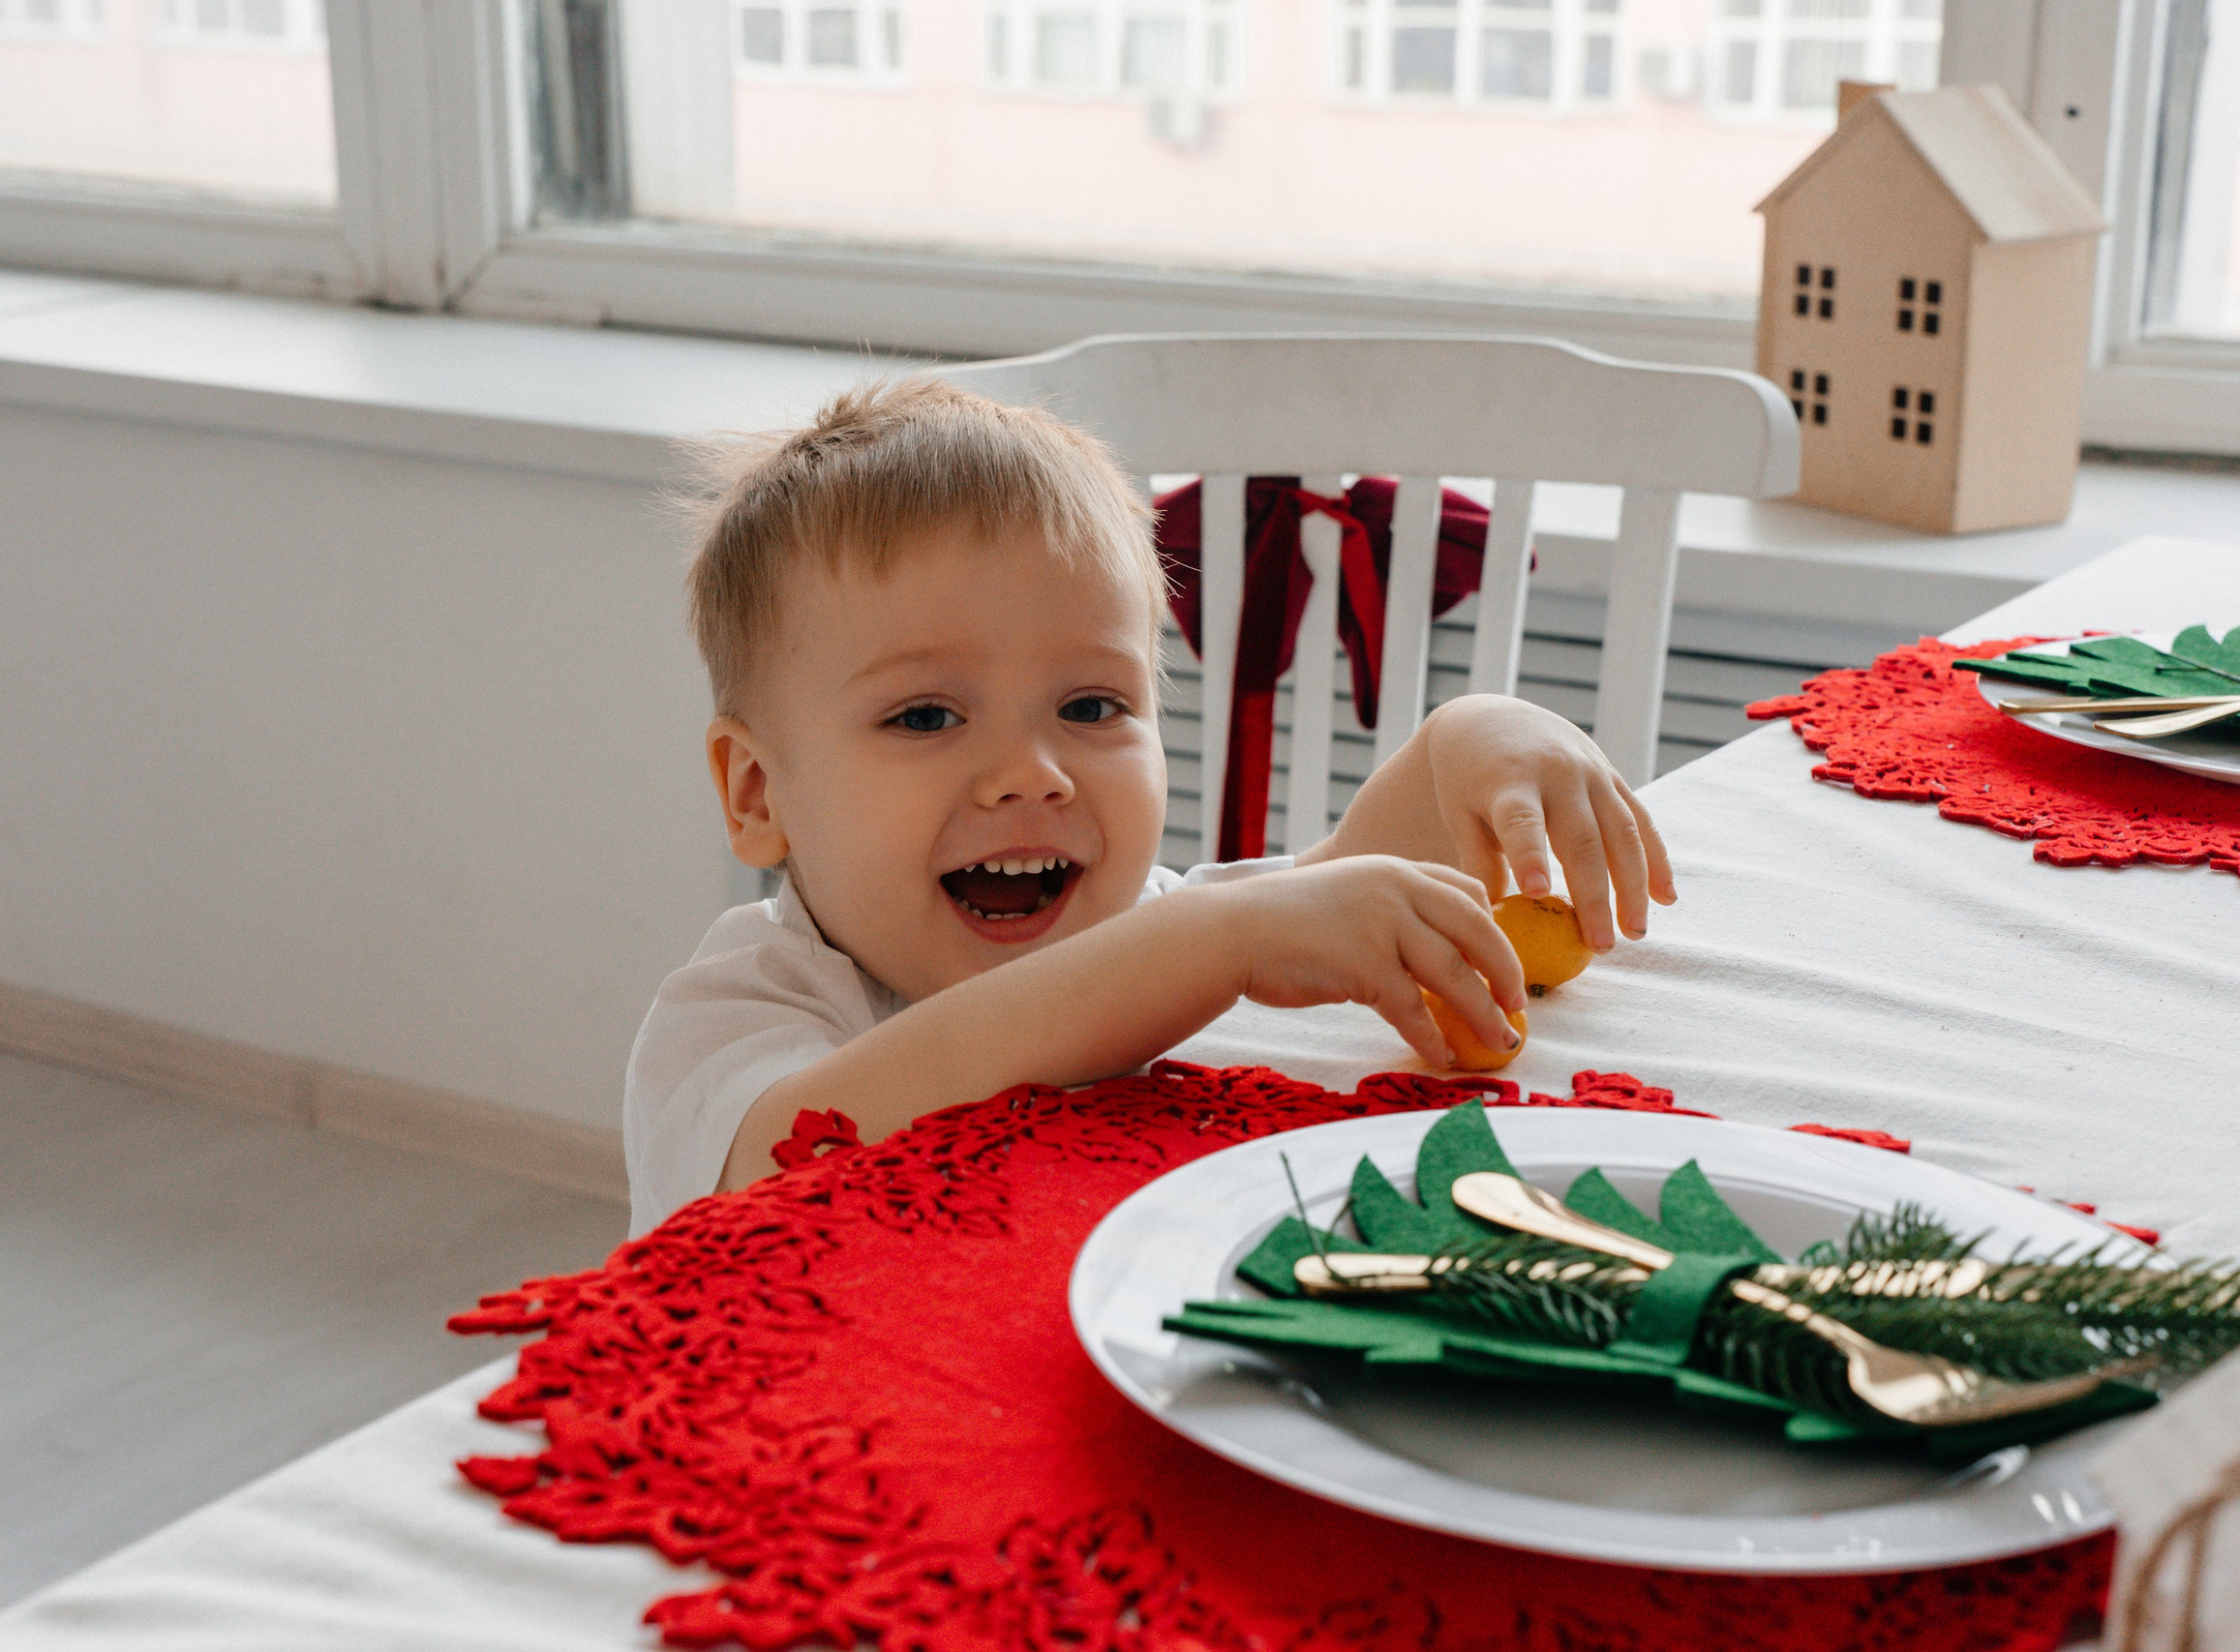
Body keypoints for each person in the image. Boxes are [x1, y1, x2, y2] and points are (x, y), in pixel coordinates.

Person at [623, 376, 1674, 1237]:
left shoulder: (1150, 928)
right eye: (927, 716)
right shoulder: (734, 1018)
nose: (1031, 773)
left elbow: (1340, 893)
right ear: (758, 792)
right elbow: (803, 1157)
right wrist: (1213, 944)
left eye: (1091, 705)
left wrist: (1466, 744)